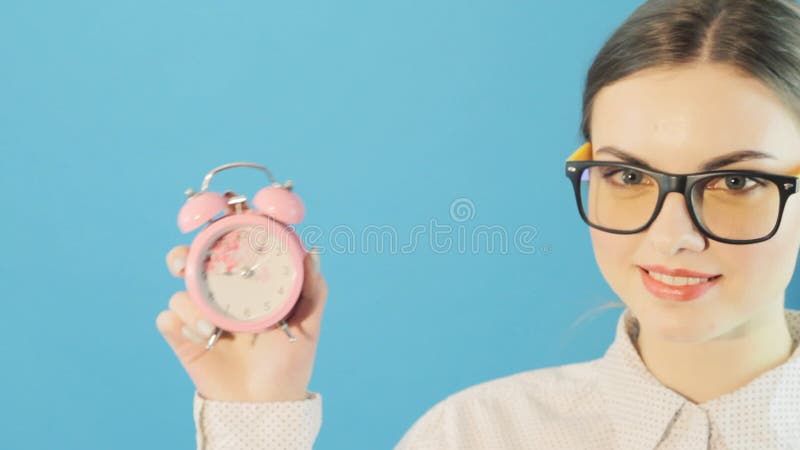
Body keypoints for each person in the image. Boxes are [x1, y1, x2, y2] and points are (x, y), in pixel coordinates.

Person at [156, 0, 800, 448]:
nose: (672, 235)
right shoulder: (475, 435)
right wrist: (257, 421)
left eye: (736, 183)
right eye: (629, 177)